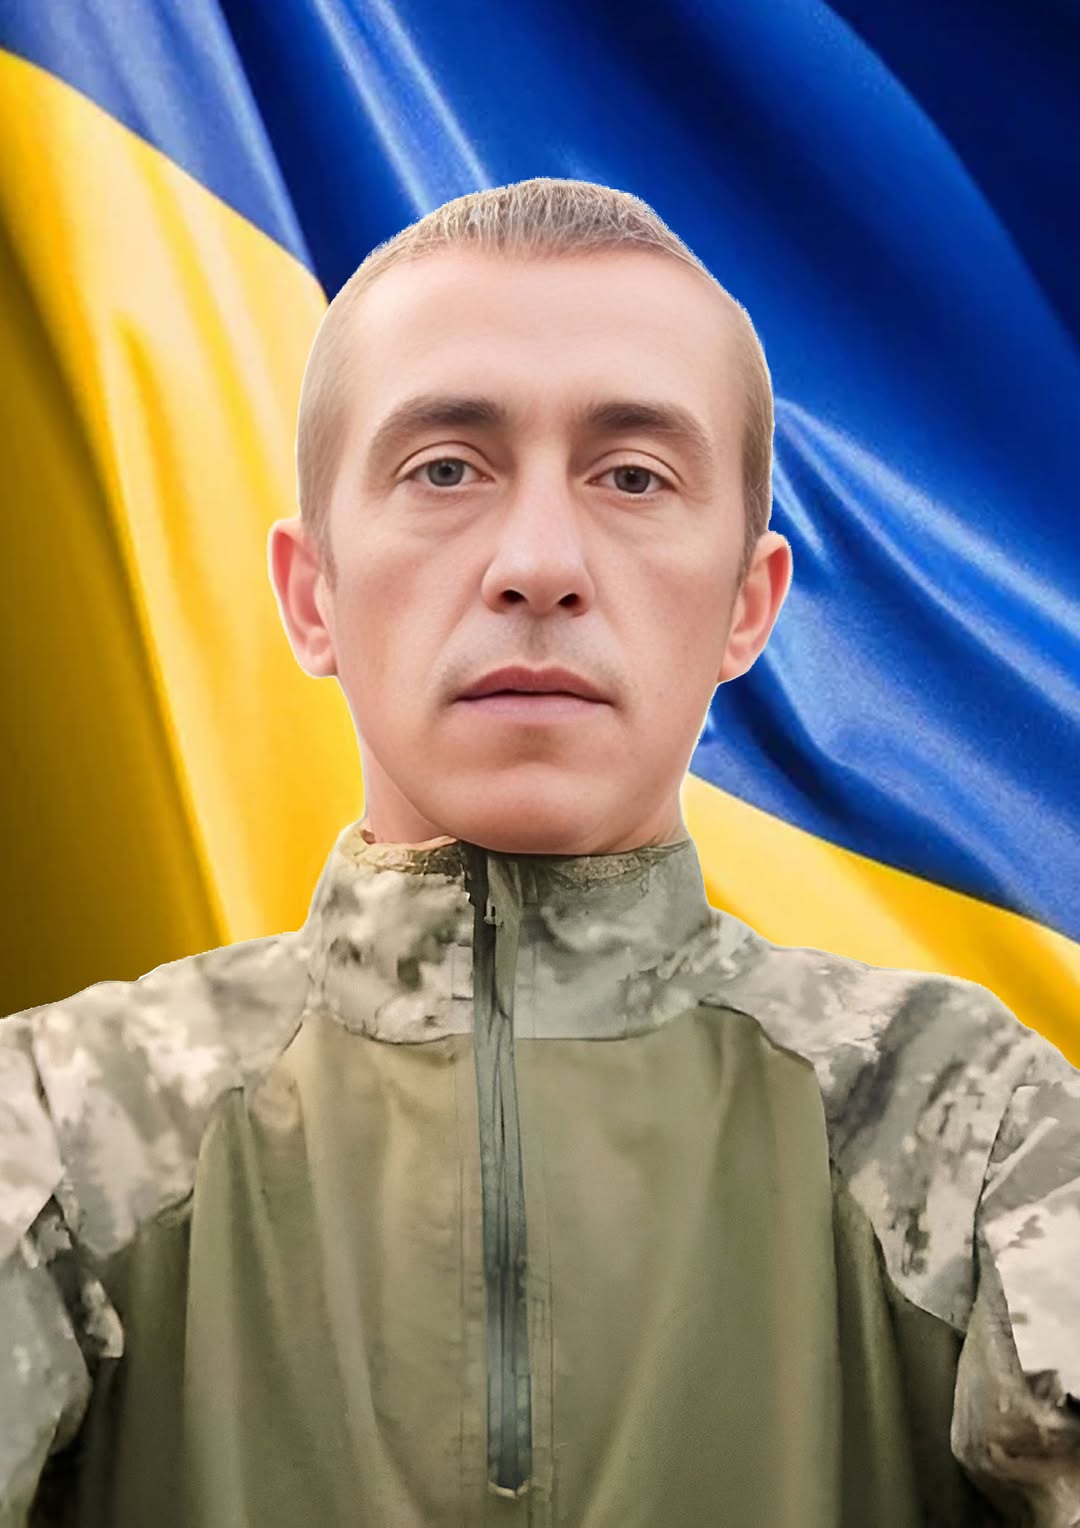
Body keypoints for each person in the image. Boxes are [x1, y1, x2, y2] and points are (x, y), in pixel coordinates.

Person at [2, 177, 1077, 1528]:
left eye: (633, 477)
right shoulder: (56, 1123)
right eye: (447, 468)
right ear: (310, 593)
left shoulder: (968, 1124)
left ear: (747, 608)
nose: (540, 562)